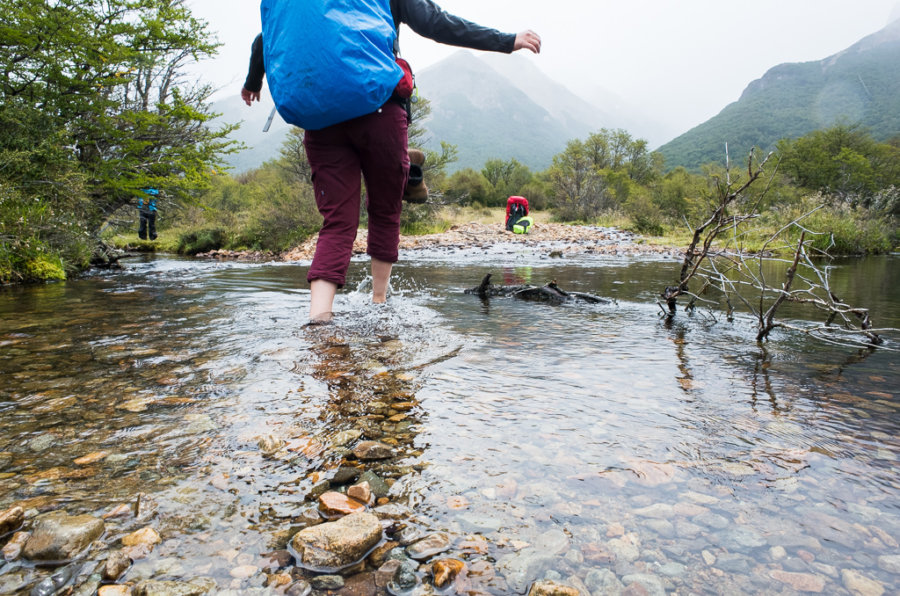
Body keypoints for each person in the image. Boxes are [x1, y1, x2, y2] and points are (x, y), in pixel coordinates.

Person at [242, 0, 541, 324]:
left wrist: (252, 81)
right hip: (379, 112)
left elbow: (264, 39)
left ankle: (319, 323)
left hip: (321, 121)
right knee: (384, 210)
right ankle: (379, 303)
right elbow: (436, 23)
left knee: (337, 223)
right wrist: (506, 40)